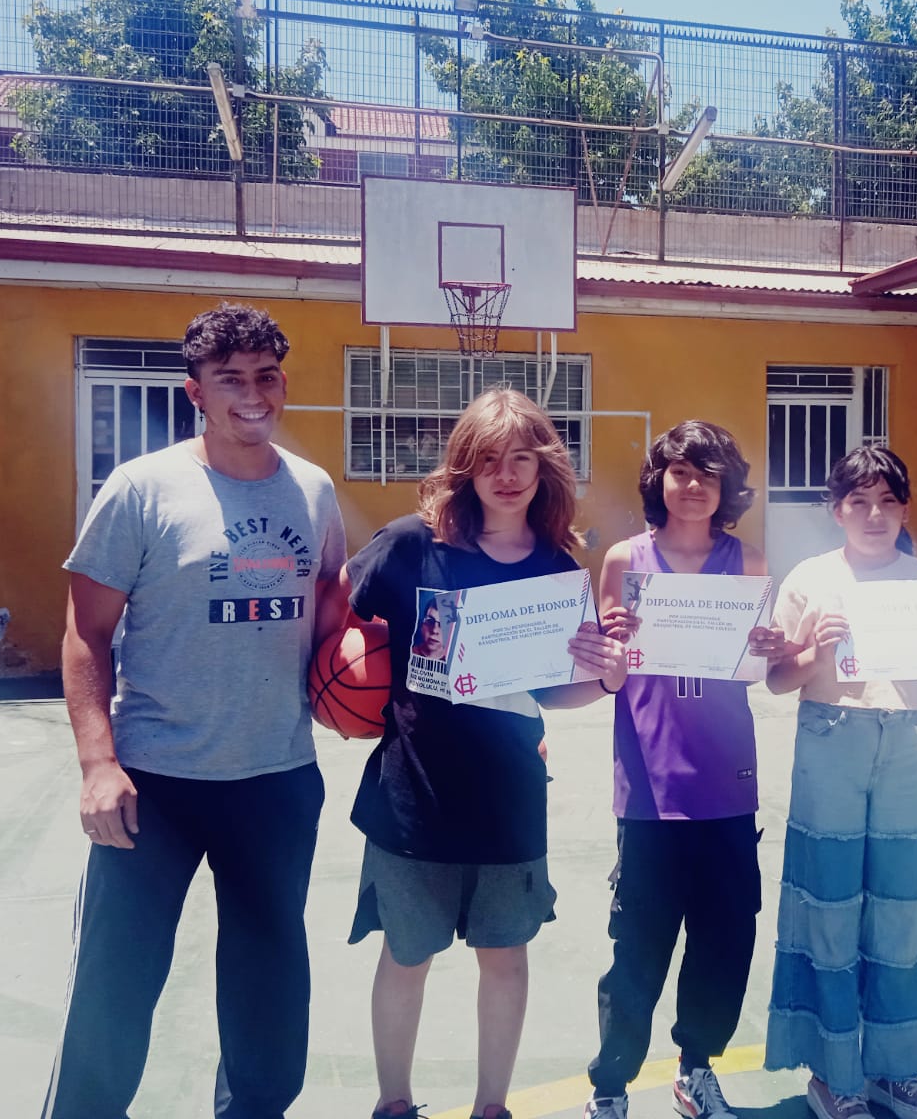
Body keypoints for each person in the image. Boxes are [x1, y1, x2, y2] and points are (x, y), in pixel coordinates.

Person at [44, 304, 346, 1119]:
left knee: (269, 978)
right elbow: (85, 633)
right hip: (154, 781)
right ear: (196, 394)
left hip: (276, 774)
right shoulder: (143, 489)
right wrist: (98, 763)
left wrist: (365, 675)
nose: (253, 394)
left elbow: (330, 616)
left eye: (266, 376)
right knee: (117, 979)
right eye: (231, 380)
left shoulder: (313, 491)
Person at [341, 387, 628, 1119]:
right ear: (464, 467)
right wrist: (339, 685)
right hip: (415, 793)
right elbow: (342, 607)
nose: (506, 475)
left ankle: (491, 1108)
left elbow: (558, 692)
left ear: (544, 469)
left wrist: (606, 677)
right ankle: (393, 1103)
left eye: (522, 459)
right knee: (407, 955)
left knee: (504, 959)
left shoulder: (559, 570)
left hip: (508, 798)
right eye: (490, 459)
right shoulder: (413, 542)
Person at [763, 447, 917, 1119]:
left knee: (902, 908)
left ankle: (898, 1068)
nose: (874, 515)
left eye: (888, 502)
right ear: (836, 510)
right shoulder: (809, 579)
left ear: (905, 509)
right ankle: (836, 1076)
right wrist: (815, 651)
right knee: (830, 907)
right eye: (858, 502)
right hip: (830, 739)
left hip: (904, 744)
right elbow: (779, 680)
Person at [583, 421, 788, 1119]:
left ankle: (696, 1066)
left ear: (729, 485)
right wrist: (608, 647)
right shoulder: (624, 561)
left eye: (708, 473)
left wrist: (768, 649)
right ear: (659, 481)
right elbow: (609, 673)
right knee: (638, 942)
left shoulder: (750, 561)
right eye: (680, 471)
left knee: (725, 938)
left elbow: (757, 671)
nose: (694, 485)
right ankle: (610, 1083)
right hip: (649, 786)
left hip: (728, 781)